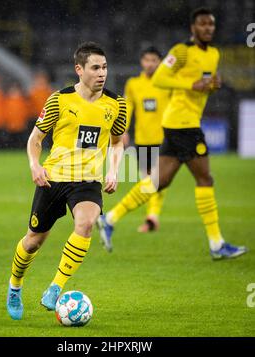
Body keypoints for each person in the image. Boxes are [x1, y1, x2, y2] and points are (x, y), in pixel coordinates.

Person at [98, 8, 248, 260]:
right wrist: (192, 84)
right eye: (202, 24)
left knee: (159, 181)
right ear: (193, 28)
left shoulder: (213, 54)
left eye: (211, 24)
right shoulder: (181, 52)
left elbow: (201, 87)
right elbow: (160, 79)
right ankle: (216, 244)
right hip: (183, 124)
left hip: (183, 123)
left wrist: (211, 87)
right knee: (205, 179)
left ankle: (110, 219)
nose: (208, 28)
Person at [6, 42, 127, 320]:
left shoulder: (117, 104)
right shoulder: (59, 99)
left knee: (85, 223)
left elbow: (118, 143)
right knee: (33, 241)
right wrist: (35, 165)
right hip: (53, 179)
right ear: (79, 69)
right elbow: (35, 140)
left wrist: (113, 170)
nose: (102, 73)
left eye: (105, 67)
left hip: (87, 182)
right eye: (95, 67)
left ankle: (55, 287)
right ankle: (15, 286)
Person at [97, 47, 170, 252]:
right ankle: (150, 216)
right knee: (152, 180)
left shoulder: (166, 83)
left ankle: (151, 216)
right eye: (147, 60)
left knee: (157, 180)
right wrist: (124, 130)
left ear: (160, 62)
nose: (150, 64)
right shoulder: (134, 84)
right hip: (144, 140)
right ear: (141, 62)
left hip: (164, 139)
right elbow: (127, 107)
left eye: (154, 60)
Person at [4, 83, 29, 149]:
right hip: (10, 126)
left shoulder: (22, 101)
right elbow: (5, 112)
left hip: (20, 126)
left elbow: (25, 112)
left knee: (20, 141)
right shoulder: (7, 101)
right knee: (11, 142)